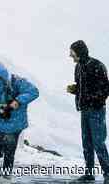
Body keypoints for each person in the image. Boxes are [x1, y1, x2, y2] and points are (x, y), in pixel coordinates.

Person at [0, 59, 39, 179]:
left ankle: (6, 177)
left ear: (1, 74)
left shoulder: (17, 82)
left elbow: (34, 91)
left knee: (9, 150)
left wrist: (18, 101)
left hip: (15, 122)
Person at [67, 40, 109, 182]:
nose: (71, 56)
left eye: (73, 53)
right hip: (84, 110)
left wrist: (91, 100)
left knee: (98, 143)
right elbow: (82, 87)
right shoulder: (78, 67)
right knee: (87, 143)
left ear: (80, 52)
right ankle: (89, 174)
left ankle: (108, 173)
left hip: (96, 111)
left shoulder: (97, 65)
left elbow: (105, 90)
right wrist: (75, 89)